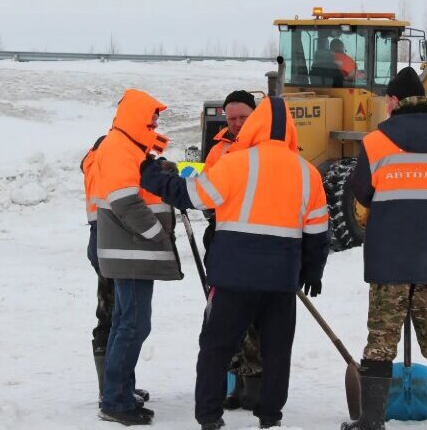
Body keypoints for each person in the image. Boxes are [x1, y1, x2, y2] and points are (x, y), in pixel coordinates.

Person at [140, 96, 330, 430]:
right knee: (277, 352)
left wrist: (153, 177)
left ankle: (210, 417)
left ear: (256, 124)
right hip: (281, 281)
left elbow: (191, 196)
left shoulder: (235, 162)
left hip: (232, 278)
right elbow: (317, 231)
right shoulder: (307, 172)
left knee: (216, 348)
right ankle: (270, 416)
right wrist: (312, 271)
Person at [342, 67, 427, 430]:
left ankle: (371, 422)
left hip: (390, 261)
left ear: (393, 101)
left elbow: (361, 191)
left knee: (381, 341)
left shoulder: (376, 142)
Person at [94, 88, 183, 426]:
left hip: (131, 252)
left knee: (127, 324)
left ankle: (120, 392)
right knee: (132, 325)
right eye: (153, 117)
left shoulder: (129, 148)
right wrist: (157, 236)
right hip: (130, 251)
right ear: (137, 116)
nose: (156, 123)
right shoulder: (118, 147)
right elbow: (125, 201)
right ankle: (115, 400)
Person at [202, 90, 261, 411]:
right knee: (223, 316)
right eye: (232, 118)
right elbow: (206, 191)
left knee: (255, 317)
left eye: (243, 117)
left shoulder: (267, 147)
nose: (237, 124)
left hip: (258, 242)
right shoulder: (218, 151)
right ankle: (230, 382)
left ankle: (254, 384)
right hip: (222, 241)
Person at [82, 135, 150, 409]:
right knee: (117, 318)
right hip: (111, 239)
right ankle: (112, 389)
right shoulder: (112, 154)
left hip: (101, 237)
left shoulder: (95, 155)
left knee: (115, 315)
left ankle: (119, 386)